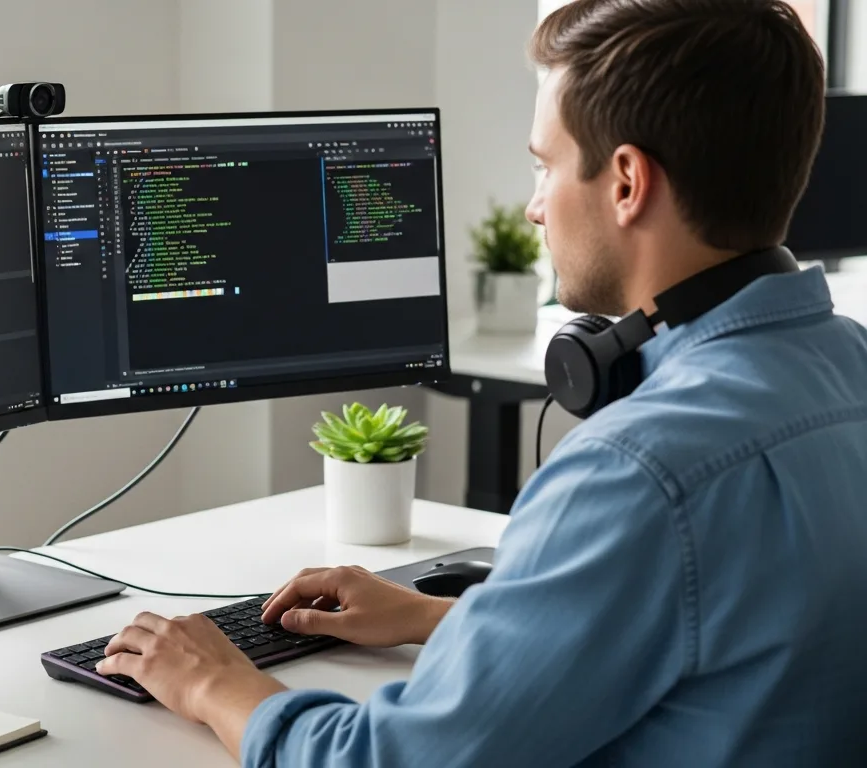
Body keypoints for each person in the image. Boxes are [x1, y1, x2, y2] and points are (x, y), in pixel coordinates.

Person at [95, 1, 867, 765]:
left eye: (544, 166)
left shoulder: (637, 473)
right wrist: (440, 618)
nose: (534, 208)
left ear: (628, 182)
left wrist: (216, 684)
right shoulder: (851, 365)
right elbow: (716, 632)